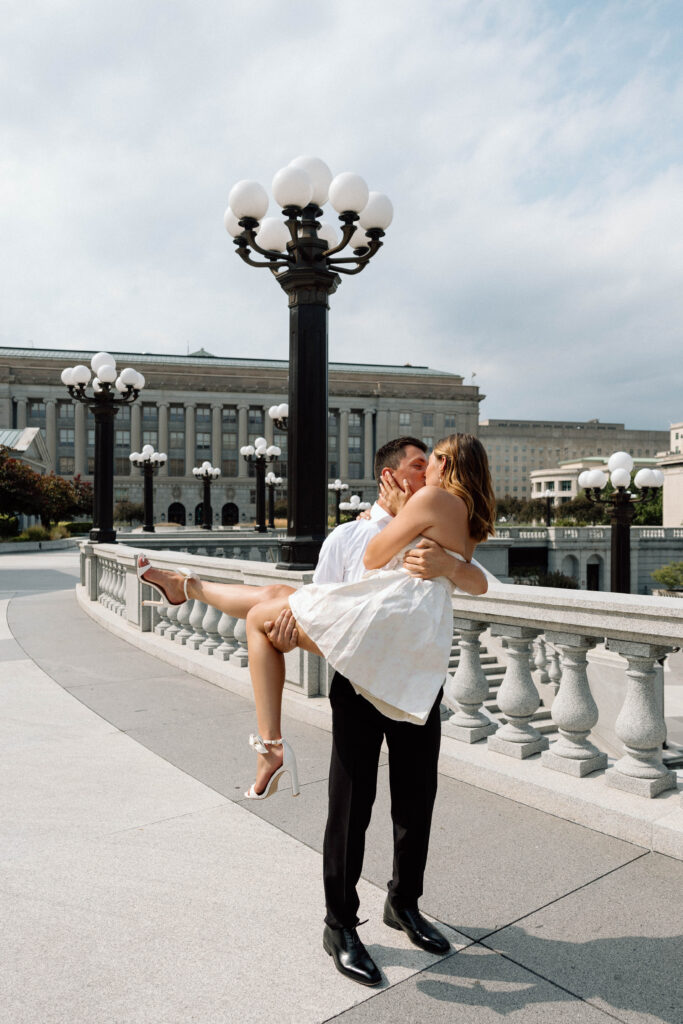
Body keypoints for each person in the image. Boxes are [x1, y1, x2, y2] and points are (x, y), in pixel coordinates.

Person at [138, 433, 494, 985]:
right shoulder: (347, 535)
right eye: (418, 466)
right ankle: (340, 923)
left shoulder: (446, 510)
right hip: (359, 674)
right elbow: (332, 601)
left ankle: (404, 902)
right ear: (393, 474)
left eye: (434, 463)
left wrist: (447, 563)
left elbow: (476, 578)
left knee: (417, 797)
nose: (426, 474)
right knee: (350, 806)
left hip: (413, 674)